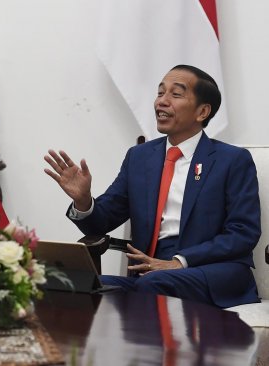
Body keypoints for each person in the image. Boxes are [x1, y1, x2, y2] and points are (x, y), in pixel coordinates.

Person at [44, 64, 260, 308]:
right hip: (151, 271)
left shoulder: (231, 160)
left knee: (153, 284)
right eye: (160, 93)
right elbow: (102, 222)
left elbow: (243, 233)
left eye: (175, 94)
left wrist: (180, 261)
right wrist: (84, 200)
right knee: (68, 283)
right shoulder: (139, 157)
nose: (162, 102)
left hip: (210, 271)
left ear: (202, 112)